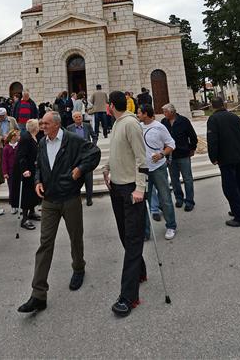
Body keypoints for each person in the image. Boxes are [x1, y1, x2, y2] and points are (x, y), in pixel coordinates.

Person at [17, 111, 101, 314]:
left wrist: (80, 169)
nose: (42, 126)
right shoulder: (43, 143)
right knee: (45, 243)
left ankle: (78, 268)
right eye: (41, 124)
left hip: (70, 197)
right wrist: (37, 181)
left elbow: (94, 153)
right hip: (49, 200)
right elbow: (38, 165)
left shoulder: (72, 140)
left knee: (75, 237)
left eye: (45, 123)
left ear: (56, 124)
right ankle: (38, 294)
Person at [103, 91, 147, 317]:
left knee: (132, 237)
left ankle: (128, 296)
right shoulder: (117, 124)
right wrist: (107, 168)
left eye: (107, 105)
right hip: (117, 187)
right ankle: (140, 271)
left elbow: (142, 158)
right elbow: (118, 152)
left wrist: (140, 188)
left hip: (131, 189)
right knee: (124, 234)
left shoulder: (131, 124)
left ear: (111, 106)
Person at [207, 98, 240, 227]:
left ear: (211, 107)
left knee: (230, 188)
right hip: (239, 157)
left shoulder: (213, 120)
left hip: (226, 160)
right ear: (224, 105)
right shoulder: (234, 117)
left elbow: (212, 140)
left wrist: (213, 157)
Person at [137, 104, 177, 240]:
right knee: (143, 202)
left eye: (139, 113)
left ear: (146, 114)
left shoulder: (159, 127)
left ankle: (171, 226)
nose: (137, 115)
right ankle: (145, 232)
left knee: (165, 199)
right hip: (143, 170)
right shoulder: (137, 127)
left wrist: (161, 154)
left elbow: (171, 144)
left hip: (158, 168)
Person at [161, 103, 198, 211]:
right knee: (174, 179)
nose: (164, 114)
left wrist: (192, 148)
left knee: (187, 178)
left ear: (172, 112)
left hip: (183, 154)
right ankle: (179, 198)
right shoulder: (164, 122)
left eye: (165, 112)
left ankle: (189, 201)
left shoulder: (184, 121)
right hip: (171, 156)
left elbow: (193, 136)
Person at [12, 119, 41, 229]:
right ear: (35, 128)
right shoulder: (26, 138)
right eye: (38, 125)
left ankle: (32, 212)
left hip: (32, 169)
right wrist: (24, 170)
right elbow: (21, 156)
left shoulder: (33, 136)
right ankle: (24, 219)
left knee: (32, 192)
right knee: (26, 194)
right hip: (25, 171)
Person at [67, 110, 97, 206]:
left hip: (87, 155)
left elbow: (94, 136)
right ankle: (76, 198)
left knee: (89, 178)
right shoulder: (69, 128)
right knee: (76, 178)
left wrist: (93, 146)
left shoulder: (87, 126)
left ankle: (89, 199)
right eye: (76, 117)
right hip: (76, 157)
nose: (78, 118)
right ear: (73, 119)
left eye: (80, 116)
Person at [0, 108, 18, 186]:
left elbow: (17, 129)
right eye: (0, 116)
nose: (1, 117)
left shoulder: (12, 120)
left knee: (13, 159)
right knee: (0, 161)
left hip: (12, 143)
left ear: (6, 114)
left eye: (3, 116)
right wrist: (2, 138)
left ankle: (14, 176)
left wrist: (11, 135)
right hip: (1, 144)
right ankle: (1, 179)